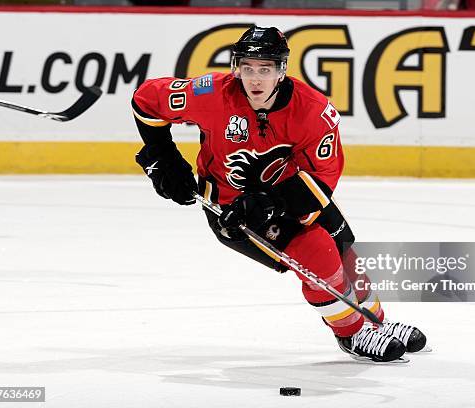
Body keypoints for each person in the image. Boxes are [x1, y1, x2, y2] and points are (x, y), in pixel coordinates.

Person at [132, 26, 427, 362]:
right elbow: (146, 100)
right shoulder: (210, 94)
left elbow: (323, 174)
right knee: (320, 257)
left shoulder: (312, 111)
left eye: (265, 69)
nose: (255, 79)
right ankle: (353, 333)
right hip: (232, 211)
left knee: (345, 251)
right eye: (248, 68)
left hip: (295, 194)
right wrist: (165, 156)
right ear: (236, 67)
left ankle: (377, 324)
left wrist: (271, 202)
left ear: (281, 70)